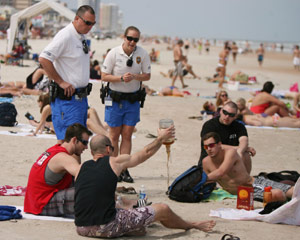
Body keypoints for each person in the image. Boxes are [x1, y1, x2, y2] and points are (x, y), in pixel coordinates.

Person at [74, 128, 216, 238]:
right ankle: (191, 225)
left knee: (139, 228)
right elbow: (145, 153)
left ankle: (133, 229)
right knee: (163, 209)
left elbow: (95, 195)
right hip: (105, 227)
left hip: (81, 228)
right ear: (108, 149)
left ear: (92, 151)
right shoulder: (115, 161)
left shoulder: (80, 168)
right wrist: (160, 139)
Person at [39, 5, 95, 143]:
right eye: (87, 22)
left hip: (80, 99)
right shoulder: (66, 35)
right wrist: (60, 81)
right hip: (67, 100)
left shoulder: (80, 37)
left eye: (92, 24)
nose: (90, 27)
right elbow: (44, 59)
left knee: (79, 144)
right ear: (77, 18)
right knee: (68, 143)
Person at [101, 26, 151, 183]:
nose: (132, 42)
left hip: (133, 100)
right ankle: (113, 167)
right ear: (124, 37)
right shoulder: (114, 53)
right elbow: (104, 76)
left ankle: (124, 168)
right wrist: (121, 78)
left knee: (127, 135)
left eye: (135, 39)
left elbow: (147, 76)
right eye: (130, 38)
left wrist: (135, 76)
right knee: (114, 135)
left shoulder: (142, 54)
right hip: (115, 99)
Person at [24, 123, 93, 217]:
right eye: (84, 143)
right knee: (90, 191)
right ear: (74, 140)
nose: (86, 147)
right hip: (42, 204)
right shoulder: (63, 157)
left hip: (35, 201)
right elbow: (84, 176)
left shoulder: (55, 149)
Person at [202, 132, 294, 202]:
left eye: (211, 145)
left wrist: (200, 179)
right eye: (206, 147)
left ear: (219, 144)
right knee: (278, 194)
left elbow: (221, 172)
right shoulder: (205, 162)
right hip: (244, 193)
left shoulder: (230, 152)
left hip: (253, 183)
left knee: (292, 191)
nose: (209, 149)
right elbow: (209, 184)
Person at [199, 101, 256, 174]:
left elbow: (244, 140)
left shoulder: (239, 126)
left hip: (228, 159)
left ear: (235, 116)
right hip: (211, 159)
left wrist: (241, 151)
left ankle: (245, 181)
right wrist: (239, 148)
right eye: (225, 112)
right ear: (220, 111)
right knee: (244, 150)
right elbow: (213, 146)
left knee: (246, 154)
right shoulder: (210, 125)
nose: (227, 116)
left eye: (231, 115)